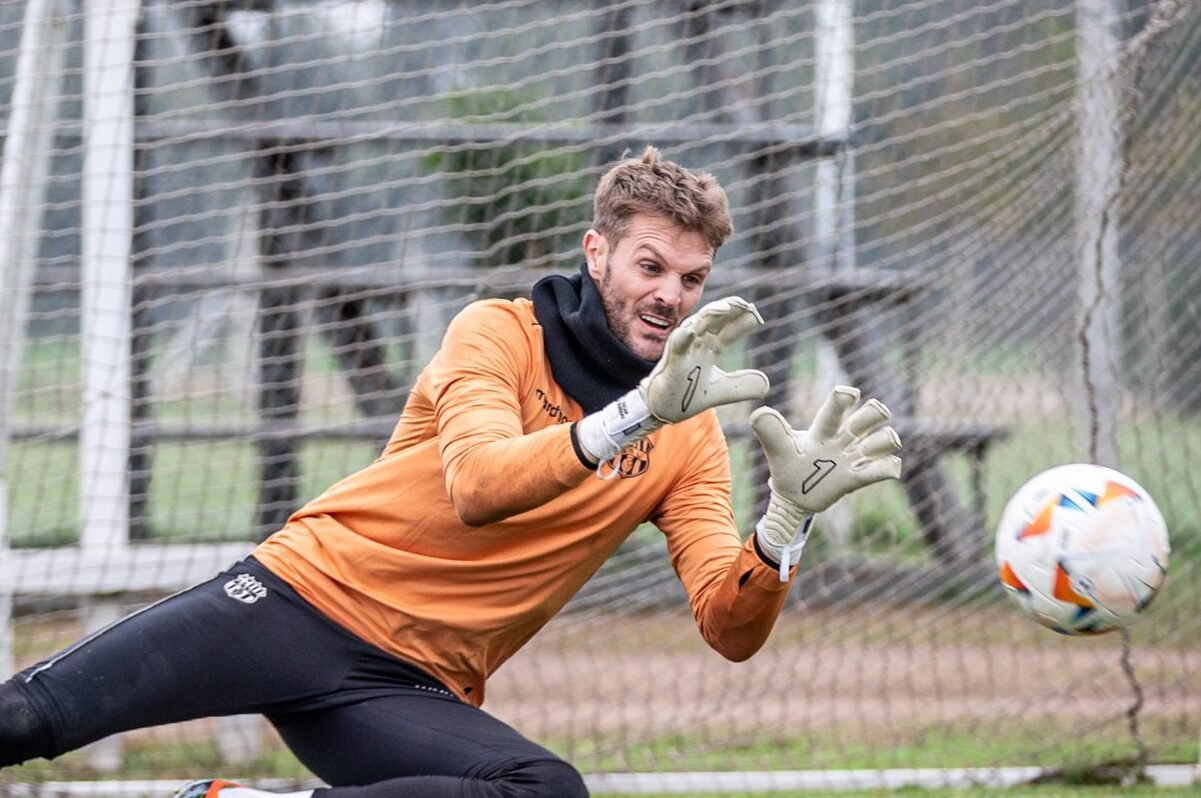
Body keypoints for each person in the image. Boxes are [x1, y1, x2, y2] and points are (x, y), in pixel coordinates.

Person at [0, 146, 902, 798]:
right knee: (26, 720)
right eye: (650, 266)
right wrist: (632, 413)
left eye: (692, 278)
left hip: (400, 686)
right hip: (291, 603)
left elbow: (727, 627)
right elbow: (478, 487)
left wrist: (784, 524)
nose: (671, 295)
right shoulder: (496, 332)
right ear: (597, 254)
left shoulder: (690, 436)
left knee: (543, 790)